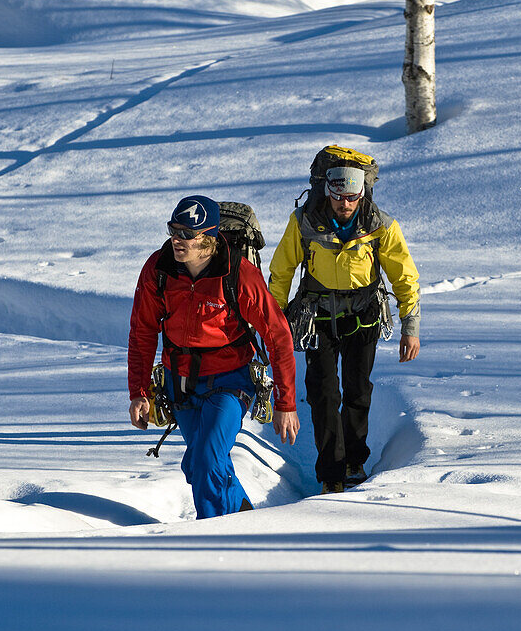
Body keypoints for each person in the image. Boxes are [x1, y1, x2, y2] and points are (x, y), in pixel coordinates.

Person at [128, 195, 299, 518]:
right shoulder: (158, 269)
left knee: (207, 459)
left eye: (186, 235)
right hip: (179, 382)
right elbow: (142, 331)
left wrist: (286, 403)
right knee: (199, 464)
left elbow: (277, 334)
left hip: (231, 379)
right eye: (173, 231)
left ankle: (215, 538)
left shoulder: (239, 274)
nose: (177, 240)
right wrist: (138, 392)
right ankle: (243, 517)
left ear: (207, 238)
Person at [269, 147, 420, 494]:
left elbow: (405, 278)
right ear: (326, 189)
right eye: (338, 195)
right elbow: (281, 273)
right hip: (317, 318)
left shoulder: (380, 225)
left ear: (362, 193)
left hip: (363, 318)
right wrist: (273, 325)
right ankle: (331, 474)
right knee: (322, 394)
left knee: (357, 390)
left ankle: (355, 460)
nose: (344, 203)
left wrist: (410, 328)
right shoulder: (303, 222)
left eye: (352, 197)